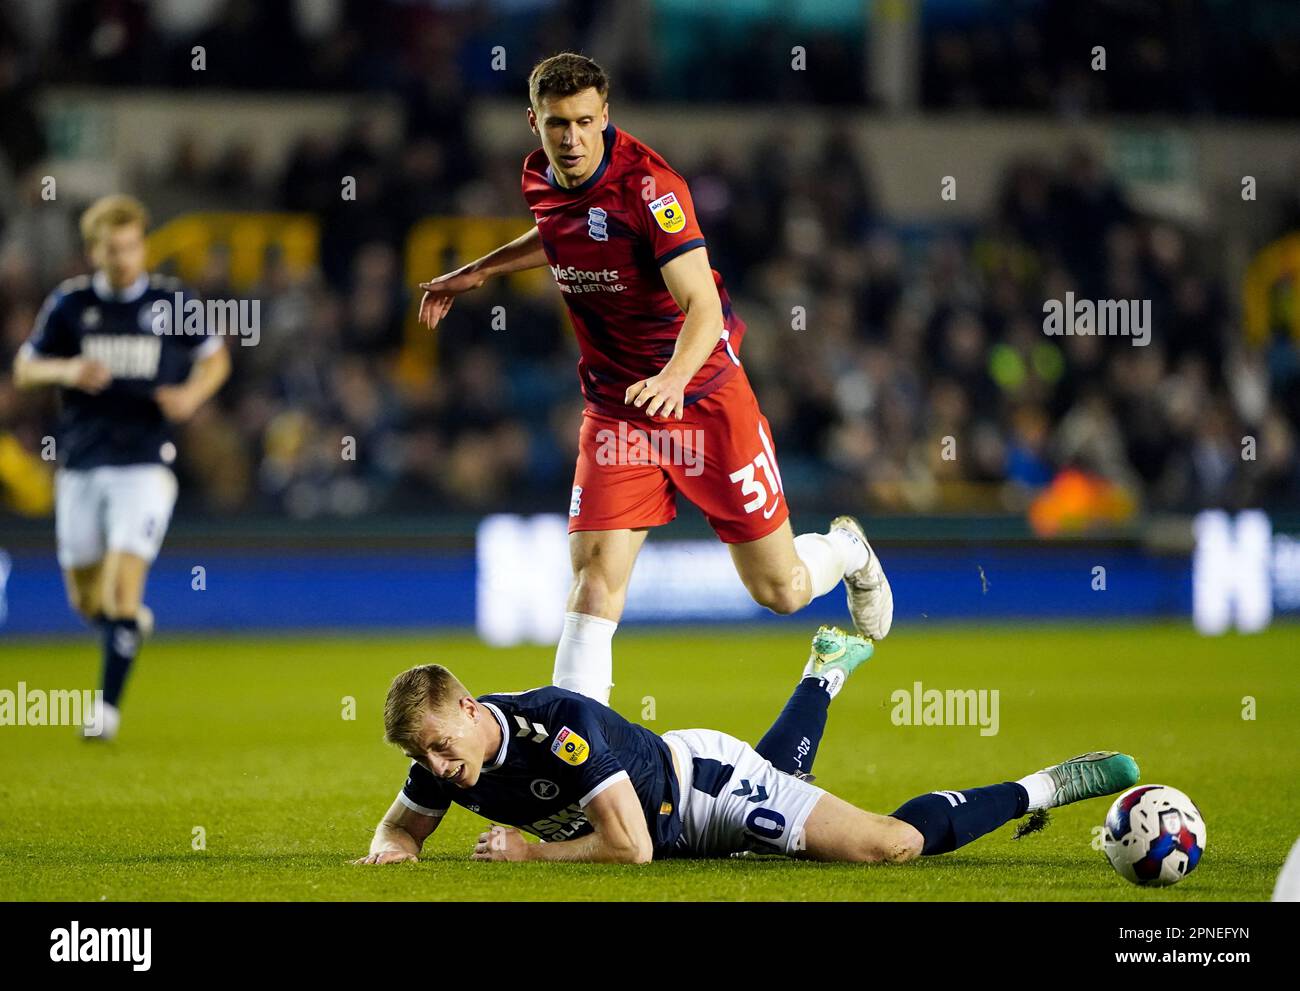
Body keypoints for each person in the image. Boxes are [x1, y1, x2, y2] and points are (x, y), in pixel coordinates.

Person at [416, 52, 892, 706]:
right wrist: (484, 269)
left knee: (779, 589)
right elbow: (562, 230)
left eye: (585, 122)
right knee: (592, 585)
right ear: (535, 121)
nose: (572, 138)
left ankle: (846, 548)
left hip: (702, 395)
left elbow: (701, 305)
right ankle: (578, 774)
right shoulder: (540, 177)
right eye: (558, 124)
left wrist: (672, 378)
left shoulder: (651, 188)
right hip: (617, 408)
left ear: (605, 116)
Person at [357, 626, 1140, 865]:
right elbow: (400, 826)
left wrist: (531, 857)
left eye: (436, 744)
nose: (434, 766)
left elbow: (630, 849)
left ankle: (1046, 784)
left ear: (466, 705)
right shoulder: (449, 761)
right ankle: (824, 673)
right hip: (675, 817)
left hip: (704, 789)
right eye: (420, 756)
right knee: (785, 791)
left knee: (888, 845)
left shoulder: (556, 724)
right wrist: (396, 850)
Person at [12, 194, 230, 739]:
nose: (125, 258)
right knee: (86, 601)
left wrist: (191, 395)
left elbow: (215, 357)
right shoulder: (70, 303)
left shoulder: (171, 301)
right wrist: (66, 369)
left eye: (132, 247)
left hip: (144, 463)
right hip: (82, 463)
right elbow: (24, 369)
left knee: (117, 593)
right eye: (113, 249)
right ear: (94, 251)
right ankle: (130, 626)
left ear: (143, 245)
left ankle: (104, 711)